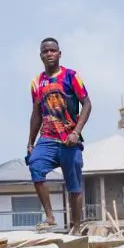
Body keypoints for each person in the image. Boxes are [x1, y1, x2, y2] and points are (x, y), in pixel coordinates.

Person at [27, 37, 91, 233]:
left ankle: (77, 226)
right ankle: (50, 216)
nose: (49, 54)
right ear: (40, 56)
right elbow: (36, 113)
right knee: (35, 165)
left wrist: (76, 132)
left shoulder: (71, 76)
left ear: (59, 53)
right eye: (45, 51)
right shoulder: (37, 82)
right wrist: (30, 142)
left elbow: (87, 104)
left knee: (74, 185)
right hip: (47, 137)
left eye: (53, 50)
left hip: (69, 140)